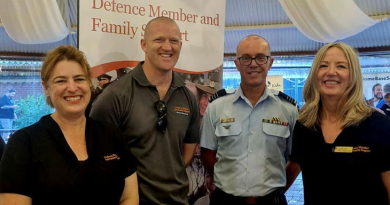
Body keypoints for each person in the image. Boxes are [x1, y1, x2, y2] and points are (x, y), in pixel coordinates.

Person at [0, 45, 139, 205]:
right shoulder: (23, 143)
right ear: (46, 87)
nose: (72, 88)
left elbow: (129, 197)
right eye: (61, 81)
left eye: (79, 79)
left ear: (89, 83)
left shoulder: (111, 134)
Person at [90, 17, 200, 205]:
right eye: (159, 40)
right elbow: (96, 155)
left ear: (180, 45)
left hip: (179, 200)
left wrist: (168, 175)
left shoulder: (188, 97)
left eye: (174, 41)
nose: (167, 47)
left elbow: (188, 150)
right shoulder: (115, 96)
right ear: (144, 44)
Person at [200, 35, 299, 205]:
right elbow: (207, 154)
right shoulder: (216, 106)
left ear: (270, 62)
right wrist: (228, 183)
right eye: (245, 58)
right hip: (225, 201)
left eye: (260, 57)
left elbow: (296, 159)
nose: (253, 64)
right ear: (237, 63)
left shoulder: (288, 109)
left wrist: (276, 191)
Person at [290, 43, 390, 205]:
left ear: (354, 75)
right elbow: (294, 166)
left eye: (341, 66)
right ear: (315, 74)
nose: (330, 72)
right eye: (323, 65)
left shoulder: (379, 126)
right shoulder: (305, 125)